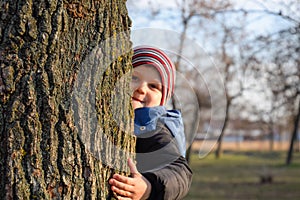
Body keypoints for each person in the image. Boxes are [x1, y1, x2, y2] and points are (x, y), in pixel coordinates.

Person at [109, 45, 192, 200]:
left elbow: (180, 172)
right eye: (134, 78)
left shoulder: (153, 126)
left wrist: (149, 187)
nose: (142, 89)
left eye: (153, 86)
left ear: (162, 100)